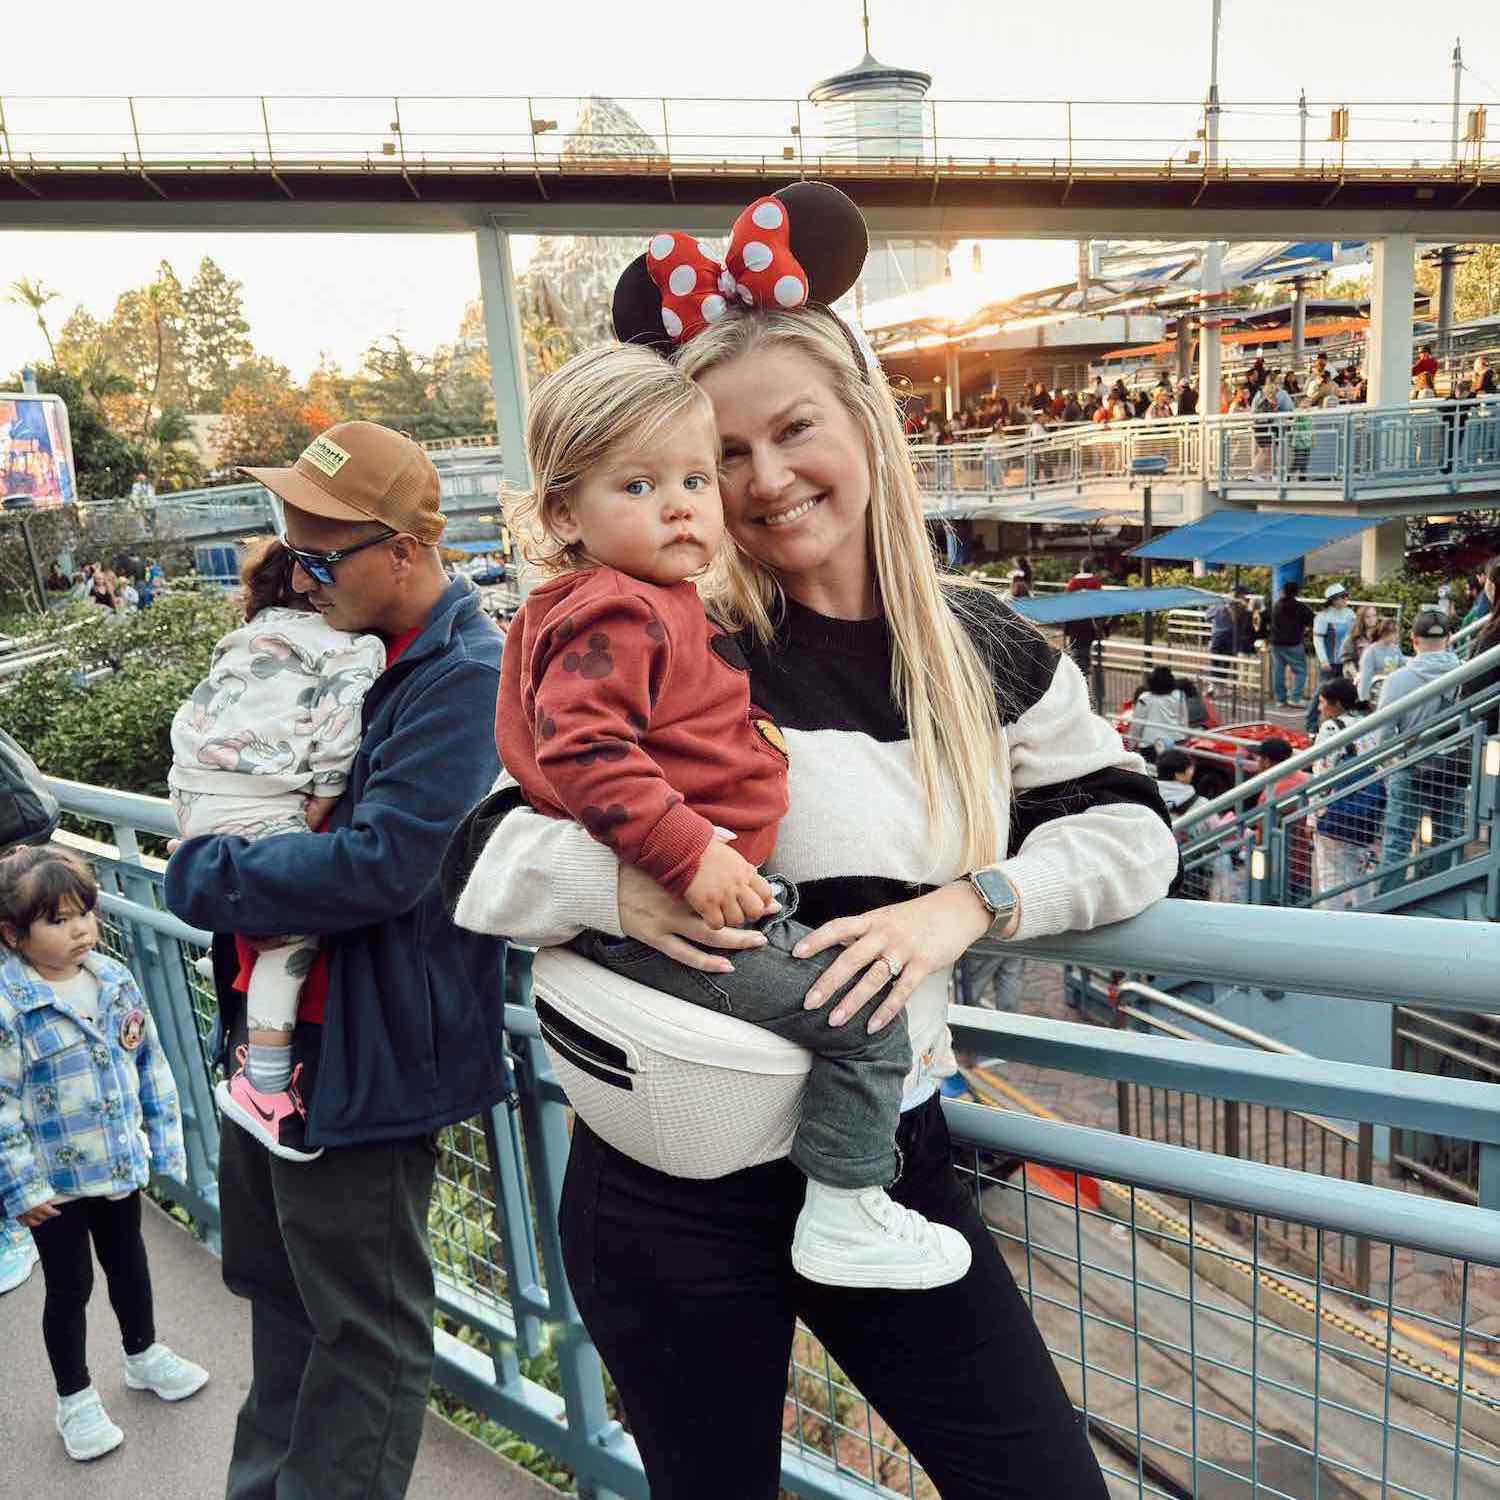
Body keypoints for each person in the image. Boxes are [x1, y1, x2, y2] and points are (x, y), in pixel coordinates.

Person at [446, 183, 1179, 1499]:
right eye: (724, 454)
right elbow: (484, 854)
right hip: (671, 1167)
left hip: (883, 1155)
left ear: (867, 426)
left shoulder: (982, 647)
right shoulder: (666, 630)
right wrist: (623, 877)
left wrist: (969, 905)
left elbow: (1130, 828)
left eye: (795, 430)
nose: (767, 480)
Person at [497, 343, 970, 1289]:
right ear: (563, 514)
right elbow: (583, 755)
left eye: (692, 479)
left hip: (708, 918)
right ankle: (846, 1208)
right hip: (681, 924)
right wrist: (686, 856)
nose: (680, 504)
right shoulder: (618, 615)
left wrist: (980, 899)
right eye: (637, 484)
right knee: (865, 1015)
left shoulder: (652, 604)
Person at [163, 420, 507, 1500]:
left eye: (321, 558)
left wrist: (198, 876)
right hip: (271, 1043)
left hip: (364, 1056)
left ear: (401, 549)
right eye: (293, 554)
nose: (300, 581)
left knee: (365, 1334)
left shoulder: (463, 672)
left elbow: (381, 868)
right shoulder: (348, 645)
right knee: (278, 1298)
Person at [167, 537, 386, 1161]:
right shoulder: (349, 644)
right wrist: (325, 789)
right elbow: (340, 723)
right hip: (257, 797)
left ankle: (238, 957)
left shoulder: (250, 633)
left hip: (192, 791)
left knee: (250, 893)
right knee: (295, 933)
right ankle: (262, 1086)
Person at [0, 846, 208, 1461]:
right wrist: (20, 1187)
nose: (80, 930)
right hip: (54, 1182)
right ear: (13, 934)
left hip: (117, 1164)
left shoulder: (114, 980)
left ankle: (143, 1355)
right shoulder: (11, 1006)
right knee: (70, 1287)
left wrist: (164, 1143)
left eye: (84, 914)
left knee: (129, 1263)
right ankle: (76, 1400)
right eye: (58, 921)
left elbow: (151, 1063)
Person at [1378, 609, 1464, 894]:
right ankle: (1439, 895)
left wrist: (1391, 762)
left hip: (1411, 765)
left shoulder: (1398, 679)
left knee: (1398, 840)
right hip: (1453, 765)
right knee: (1447, 835)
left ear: (1414, 640)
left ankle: (1386, 906)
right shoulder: (1467, 672)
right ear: (1449, 638)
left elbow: (1384, 734)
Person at [1310, 678, 1379, 908]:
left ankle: (1333, 924)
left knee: (1331, 875)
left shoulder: (1331, 728)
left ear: (1337, 703)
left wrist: (1314, 815)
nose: (1320, 708)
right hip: (1366, 808)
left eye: (1322, 702)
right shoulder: (1371, 724)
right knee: (1361, 870)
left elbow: (1322, 772)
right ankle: (1366, 915)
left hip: (1335, 809)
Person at [1248, 738, 1312, 903]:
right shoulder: (1304, 778)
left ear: (1267, 761)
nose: (1257, 762)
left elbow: (1262, 837)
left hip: (1279, 869)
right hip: (1304, 861)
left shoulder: (1272, 793)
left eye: (1259, 758)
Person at [1306, 583, 1355, 734]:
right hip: (1329, 662)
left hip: (1345, 661)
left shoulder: (1350, 614)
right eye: (1343, 596)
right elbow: (1318, 640)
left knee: (1345, 692)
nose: (1346, 599)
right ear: (1333, 600)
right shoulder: (1322, 617)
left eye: (1346, 595)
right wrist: (1323, 659)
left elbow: (1353, 637)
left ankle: (1341, 723)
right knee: (1321, 691)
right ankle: (1311, 724)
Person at [1268, 580, 1314, 706]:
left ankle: (1280, 699)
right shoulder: (1301, 607)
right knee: (1301, 670)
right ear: (1297, 592)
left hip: (1275, 643)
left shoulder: (1277, 605)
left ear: (1283, 591)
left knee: (1278, 671)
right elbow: (1312, 620)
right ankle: (1295, 698)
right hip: (1293, 643)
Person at [1127, 664, 1189, 756]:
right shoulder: (1179, 695)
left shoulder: (1144, 698)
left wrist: (1130, 746)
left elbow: (1137, 725)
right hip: (1175, 741)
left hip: (1149, 743)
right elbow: (1183, 720)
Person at [1358, 616, 1405, 704]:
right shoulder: (1371, 651)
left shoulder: (1396, 649)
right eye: (1395, 632)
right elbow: (1365, 677)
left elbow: (1402, 669)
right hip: (1376, 693)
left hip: (1392, 692)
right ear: (1384, 633)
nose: (1397, 635)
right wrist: (1363, 699)